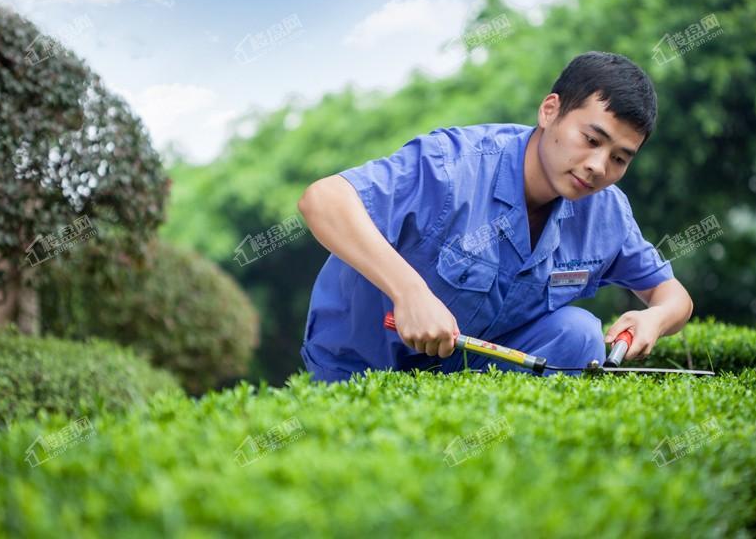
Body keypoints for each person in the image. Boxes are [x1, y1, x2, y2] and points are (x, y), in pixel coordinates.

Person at [297, 51, 694, 383]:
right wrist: (410, 293)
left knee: (580, 334)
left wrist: (655, 320)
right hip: (358, 365)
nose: (598, 166)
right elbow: (323, 199)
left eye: (620, 158)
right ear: (550, 110)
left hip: (466, 372)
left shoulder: (606, 213)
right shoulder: (451, 164)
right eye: (591, 140)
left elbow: (674, 296)